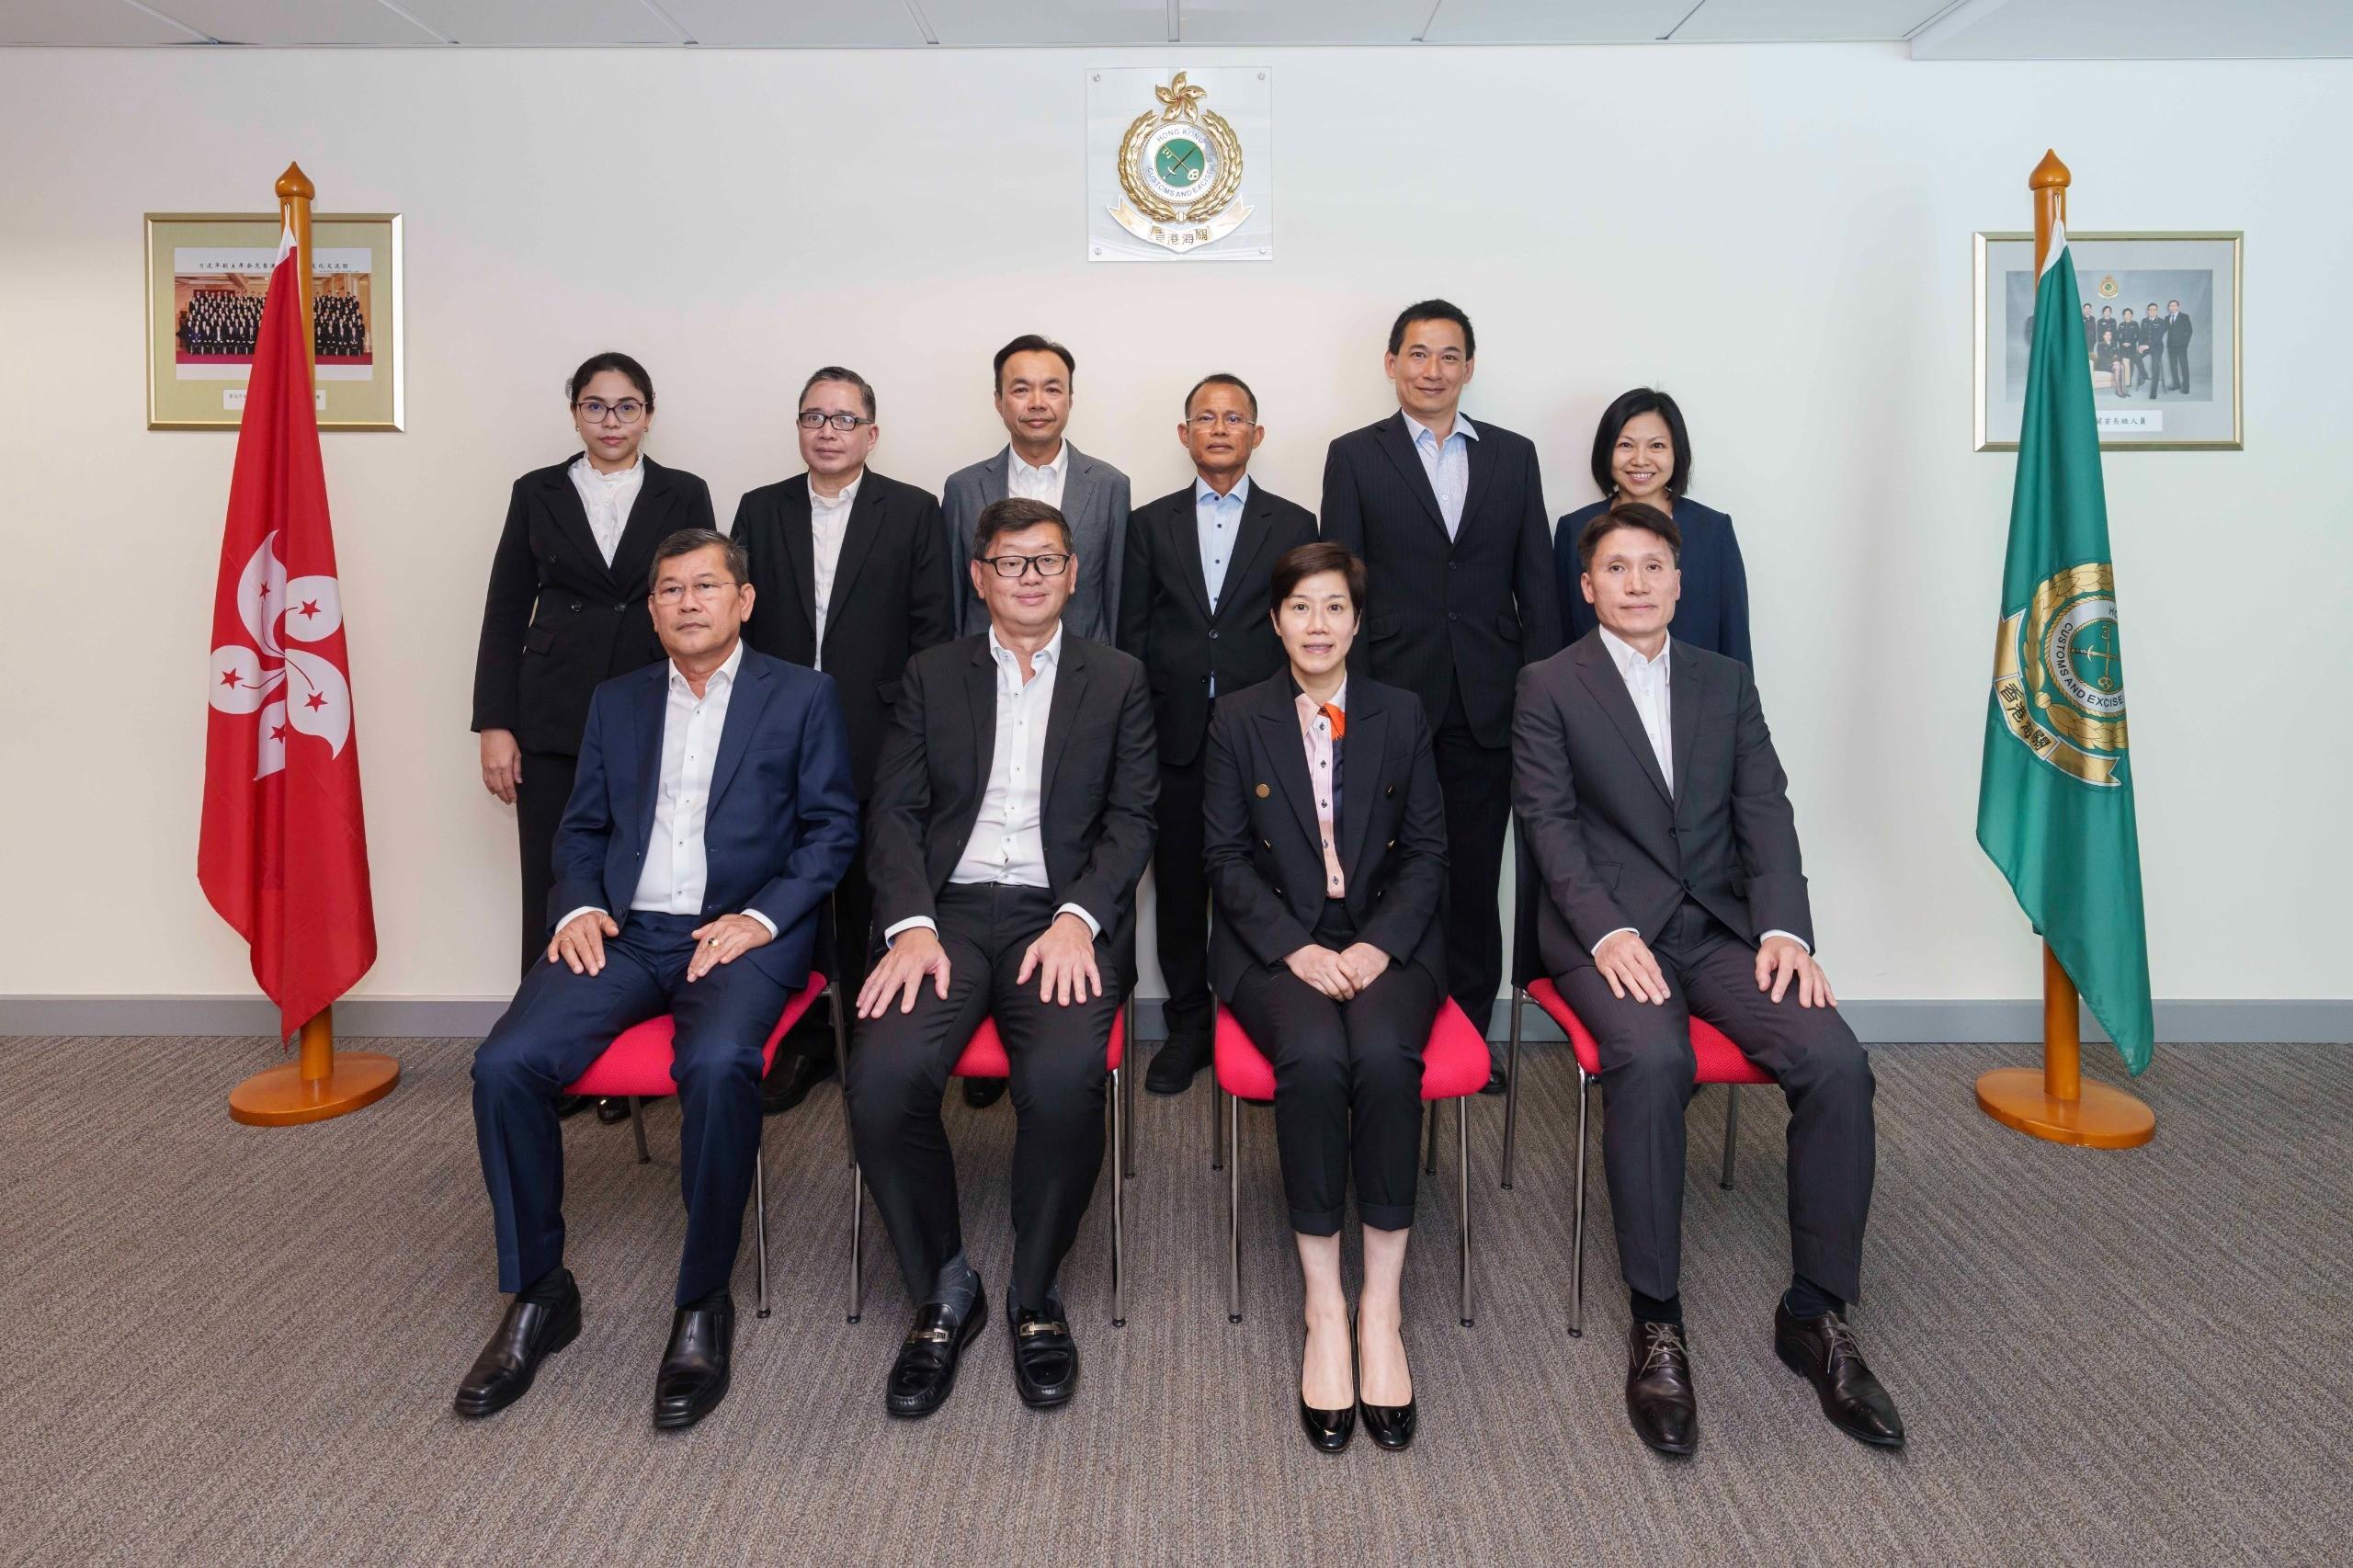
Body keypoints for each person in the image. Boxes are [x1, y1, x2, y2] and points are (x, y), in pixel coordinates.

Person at [1512, 503, 1902, 1459]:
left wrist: (1784, 929)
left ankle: (1816, 1311)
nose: (1637, 581)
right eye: (1617, 566)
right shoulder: (1548, 685)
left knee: (1835, 1059)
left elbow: (1764, 807)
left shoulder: (1724, 682)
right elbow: (1549, 824)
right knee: (1651, 1057)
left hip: (1722, 926)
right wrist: (1602, 929)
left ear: (1680, 583)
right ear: (1587, 585)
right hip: (1605, 930)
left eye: (1654, 565)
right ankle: (1656, 1319)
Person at [455, 529, 859, 1430]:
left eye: (705, 585)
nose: (687, 602)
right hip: (628, 933)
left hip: (740, 931)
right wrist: (576, 906)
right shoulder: (618, 701)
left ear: (742, 600)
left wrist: (760, 918)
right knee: (504, 1064)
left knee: (717, 1066)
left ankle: (701, 1297)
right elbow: (583, 827)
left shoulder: (801, 695)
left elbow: (832, 830)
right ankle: (537, 1289)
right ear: (652, 608)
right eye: (670, 589)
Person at [845, 497, 1155, 1420]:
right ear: (977, 576)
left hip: (1054, 916)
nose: (1029, 576)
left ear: (1072, 575)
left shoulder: (1118, 676)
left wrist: (1078, 919)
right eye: (1009, 561)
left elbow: (1133, 818)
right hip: (940, 912)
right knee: (883, 1078)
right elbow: (893, 812)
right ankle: (944, 1283)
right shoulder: (932, 672)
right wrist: (908, 922)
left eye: (1046, 560)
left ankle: (1033, 1290)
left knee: (1063, 1081)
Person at [1203, 542, 1448, 1454]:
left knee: (1383, 1057)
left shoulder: (1401, 713)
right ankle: (1322, 1305)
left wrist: (1380, 943)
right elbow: (1222, 858)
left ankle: (1379, 1310)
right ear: (1275, 622)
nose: (1317, 624)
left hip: (1391, 935)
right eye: (1300, 607)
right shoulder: (1237, 718)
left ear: (1356, 619)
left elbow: (1428, 851)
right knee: (1312, 1057)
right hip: (1277, 940)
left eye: (1333, 607)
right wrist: (1293, 947)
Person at [1320, 299, 1561, 1090]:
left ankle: (1468, 1031)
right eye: (1417, 354)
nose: (1433, 369)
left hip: (1487, 702)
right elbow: (1340, 587)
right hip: (1389, 698)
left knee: (1469, 872)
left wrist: (1541, 698)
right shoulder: (1354, 456)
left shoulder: (1513, 458)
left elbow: (1538, 588)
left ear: (1469, 366)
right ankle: (1387, 1021)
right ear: (1391, 364)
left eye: (1448, 355)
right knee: (1383, 869)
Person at [473, 352, 718, 1121]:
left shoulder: (685, 491)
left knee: (638, 879)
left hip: (653, 704)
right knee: (555, 879)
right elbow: (506, 609)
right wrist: (495, 724)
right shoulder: (536, 492)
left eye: (626, 406)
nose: (611, 421)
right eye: (596, 406)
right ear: (574, 412)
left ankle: (625, 1066)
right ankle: (545, 1046)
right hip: (551, 712)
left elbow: (694, 594)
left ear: (649, 414)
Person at [732, 367, 957, 1113]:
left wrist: (919, 725)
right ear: (799, 428)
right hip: (778, 725)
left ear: (871, 432)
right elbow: (738, 623)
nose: (828, 431)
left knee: (866, 876)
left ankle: (866, 1022)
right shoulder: (758, 510)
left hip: (880, 723)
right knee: (788, 875)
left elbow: (934, 630)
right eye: (814, 417)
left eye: (844, 419)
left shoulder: (915, 510)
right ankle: (803, 1035)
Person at [942, 335, 1134, 1108]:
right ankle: (989, 1025)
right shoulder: (963, 486)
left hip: (1080, 697)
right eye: (1020, 388)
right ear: (1000, 401)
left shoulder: (1108, 484)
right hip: (995, 690)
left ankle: (1034, 1025)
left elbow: (1113, 601)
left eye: (1051, 387)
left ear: (1069, 398)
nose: (1036, 401)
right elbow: (962, 608)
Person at [1116, 373, 1315, 1095]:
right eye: (1206, 417)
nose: (1221, 428)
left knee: (1266, 878)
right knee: (1177, 884)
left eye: (1235, 418)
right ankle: (1188, 1022)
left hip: (1265, 732)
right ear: (1185, 434)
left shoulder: (1295, 525)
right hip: (1173, 735)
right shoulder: (1148, 523)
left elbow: (1306, 627)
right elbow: (1131, 637)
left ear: (1256, 435)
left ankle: (1262, 1010)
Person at [1557, 388, 1751, 665]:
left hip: (1698, 698)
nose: (1640, 459)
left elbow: (1735, 638)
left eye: (1657, 445)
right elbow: (1562, 631)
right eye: (1625, 445)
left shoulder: (1712, 530)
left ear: (1677, 452)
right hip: (1596, 697)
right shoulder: (1574, 528)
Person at [2165, 299, 2195, 392]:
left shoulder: (2184, 317)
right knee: (2173, 366)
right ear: (2169, 308)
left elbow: (2189, 331)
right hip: (2171, 346)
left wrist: (2185, 343)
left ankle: (2186, 387)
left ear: (2178, 307)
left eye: (2174, 305)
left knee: (2184, 366)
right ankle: (2176, 384)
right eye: (2171, 306)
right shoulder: (2167, 318)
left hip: (2182, 346)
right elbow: (2162, 330)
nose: (2172, 307)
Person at [2140, 302, 2166, 399]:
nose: (2152, 311)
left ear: (2157, 311)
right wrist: (2140, 346)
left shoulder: (2162, 322)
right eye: (2150, 309)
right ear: (2147, 311)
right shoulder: (2144, 321)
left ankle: (2153, 391)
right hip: (2145, 347)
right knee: (2135, 356)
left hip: (2157, 347)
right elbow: (2141, 335)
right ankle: (2144, 374)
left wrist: (2147, 345)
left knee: (2155, 366)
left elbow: (2158, 337)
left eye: (2154, 309)